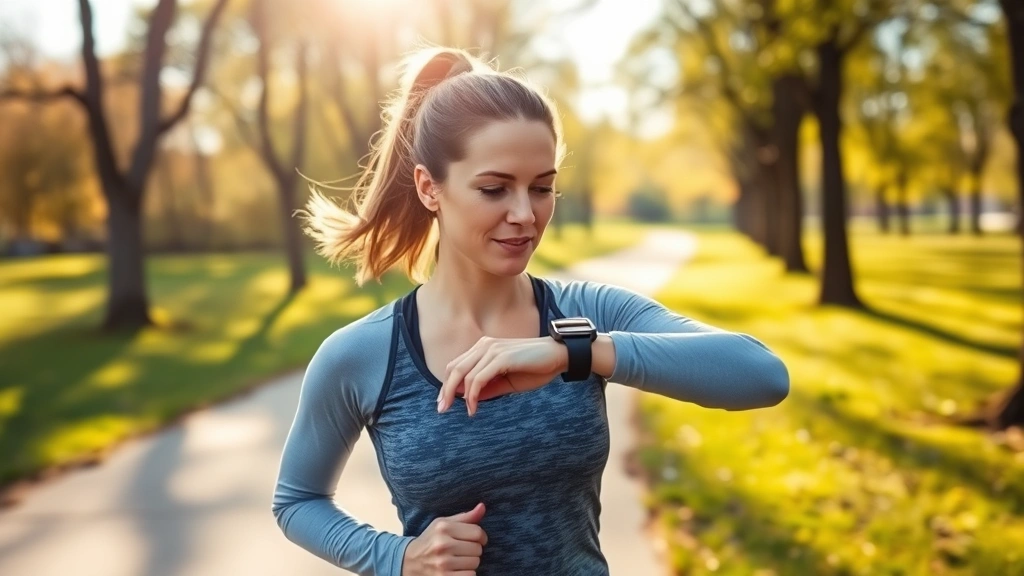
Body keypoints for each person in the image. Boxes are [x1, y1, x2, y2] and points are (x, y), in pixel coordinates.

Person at [272, 46, 789, 576]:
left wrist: (575, 354)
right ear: (430, 188)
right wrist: (399, 557)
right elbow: (297, 501)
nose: (525, 215)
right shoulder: (363, 353)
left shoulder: (587, 314)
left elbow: (762, 376)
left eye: (543, 188)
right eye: (495, 189)